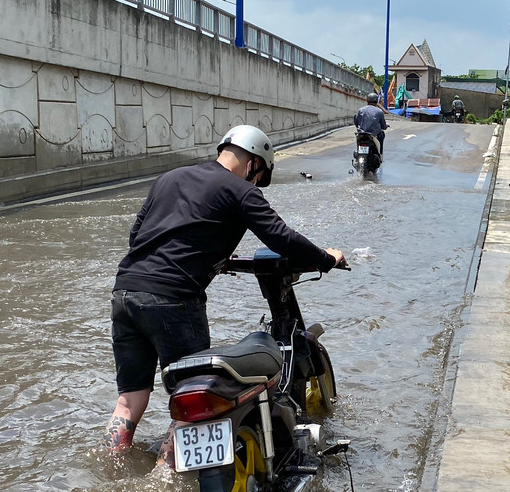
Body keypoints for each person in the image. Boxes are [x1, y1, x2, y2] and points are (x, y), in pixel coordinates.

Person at [105, 125, 345, 455]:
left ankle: (111, 464)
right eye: (258, 177)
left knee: (129, 400)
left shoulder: (169, 178)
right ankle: (164, 479)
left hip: (126, 292)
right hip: (174, 299)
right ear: (253, 164)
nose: (256, 183)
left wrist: (211, 255)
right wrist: (325, 258)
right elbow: (281, 238)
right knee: (193, 404)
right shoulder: (240, 190)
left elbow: (139, 236)